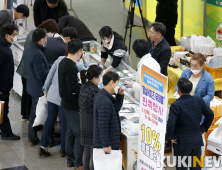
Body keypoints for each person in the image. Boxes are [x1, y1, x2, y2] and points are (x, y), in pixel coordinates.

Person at [39, 48, 89, 158]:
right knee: (65, 124)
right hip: (63, 99)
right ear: (78, 53)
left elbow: (50, 75)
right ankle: (63, 149)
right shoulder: (78, 64)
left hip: (52, 96)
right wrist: (85, 61)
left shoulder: (59, 60)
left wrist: (45, 89)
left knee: (49, 120)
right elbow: (88, 73)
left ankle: (42, 146)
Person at [167, 78, 214, 170]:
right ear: (191, 89)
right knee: (196, 167)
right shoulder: (198, 100)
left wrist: (170, 138)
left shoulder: (176, 105)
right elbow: (210, 115)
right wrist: (203, 127)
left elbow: (170, 124)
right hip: (196, 141)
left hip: (181, 143)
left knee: (182, 168)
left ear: (178, 90)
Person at [17, 19, 59, 122]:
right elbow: (41, 73)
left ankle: (26, 117)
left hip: (27, 70)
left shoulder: (33, 33)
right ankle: (31, 120)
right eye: (50, 34)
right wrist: (53, 68)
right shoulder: (37, 51)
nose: (50, 37)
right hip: (30, 72)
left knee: (28, 97)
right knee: (32, 102)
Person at [58, 39, 84, 170]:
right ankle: (78, 163)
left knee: (70, 131)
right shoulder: (70, 66)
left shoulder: (63, 61)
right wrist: (84, 87)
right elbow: (73, 88)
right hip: (71, 105)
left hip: (65, 103)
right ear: (79, 52)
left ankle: (70, 159)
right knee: (79, 132)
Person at [23, 28, 49, 146]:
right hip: (38, 89)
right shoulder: (37, 54)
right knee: (41, 113)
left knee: (33, 113)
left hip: (31, 86)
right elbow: (41, 74)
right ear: (42, 39)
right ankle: (37, 139)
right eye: (46, 38)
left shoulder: (29, 49)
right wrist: (52, 70)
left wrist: (50, 65)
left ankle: (32, 138)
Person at [79, 65, 103, 170]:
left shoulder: (84, 85)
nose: (101, 78)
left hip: (83, 121)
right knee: (94, 151)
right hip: (92, 123)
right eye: (100, 76)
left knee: (87, 148)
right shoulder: (95, 91)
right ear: (95, 78)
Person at [93, 72, 124, 153]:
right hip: (109, 142)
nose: (118, 86)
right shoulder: (104, 101)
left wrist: (120, 96)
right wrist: (106, 145)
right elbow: (103, 125)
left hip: (108, 140)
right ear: (111, 83)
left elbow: (115, 109)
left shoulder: (103, 95)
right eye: (117, 83)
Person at [178, 53, 215, 121]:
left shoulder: (208, 78)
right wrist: (178, 94)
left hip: (199, 111)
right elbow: (178, 85)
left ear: (202, 66)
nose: (192, 68)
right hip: (185, 107)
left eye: (195, 66)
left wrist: (197, 102)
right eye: (191, 65)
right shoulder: (186, 73)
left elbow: (210, 95)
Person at [0, 24, 20, 140]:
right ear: (7, 36)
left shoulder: (3, 45)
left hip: (3, 84)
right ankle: (6, 133)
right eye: (14, 35)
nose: (15, 37)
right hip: (2, 86)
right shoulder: (3, 50)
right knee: (3, 109)